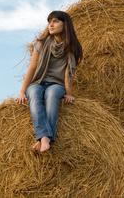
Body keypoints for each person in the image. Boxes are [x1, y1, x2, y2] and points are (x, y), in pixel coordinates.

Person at [15, 10, 83, 152]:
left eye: (56, 21)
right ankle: (44, 137)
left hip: (57, 84)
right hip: (38, 82)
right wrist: (22, 92)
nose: (51, 25)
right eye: (50, 22)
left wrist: (69, 93)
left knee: (51, 95)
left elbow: (68, 72)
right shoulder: (41, 44)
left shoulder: (72, 47)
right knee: (33, 94)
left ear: (65, 25)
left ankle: (43, 138)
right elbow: (32, 68)